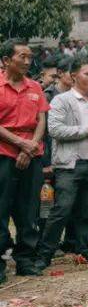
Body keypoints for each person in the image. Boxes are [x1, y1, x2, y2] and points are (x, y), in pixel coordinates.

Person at [35, 59, 88, 270]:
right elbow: (55, 130)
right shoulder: (61, 101)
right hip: (69, 165)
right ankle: (45, 254)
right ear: (74, 75)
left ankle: (83, 249)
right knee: (61, 210)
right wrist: (86, 130)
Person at [0, 40, 48, 281]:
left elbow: (41, 120)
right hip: (3, 155)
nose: (28, 61)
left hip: (32, 157)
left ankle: (26, 259)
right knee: (1, 208)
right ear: (7, 60)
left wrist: (29, 148)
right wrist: (20, 144)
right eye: (22, 56)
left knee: (29, 208)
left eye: (30, 57)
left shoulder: (35, 87)